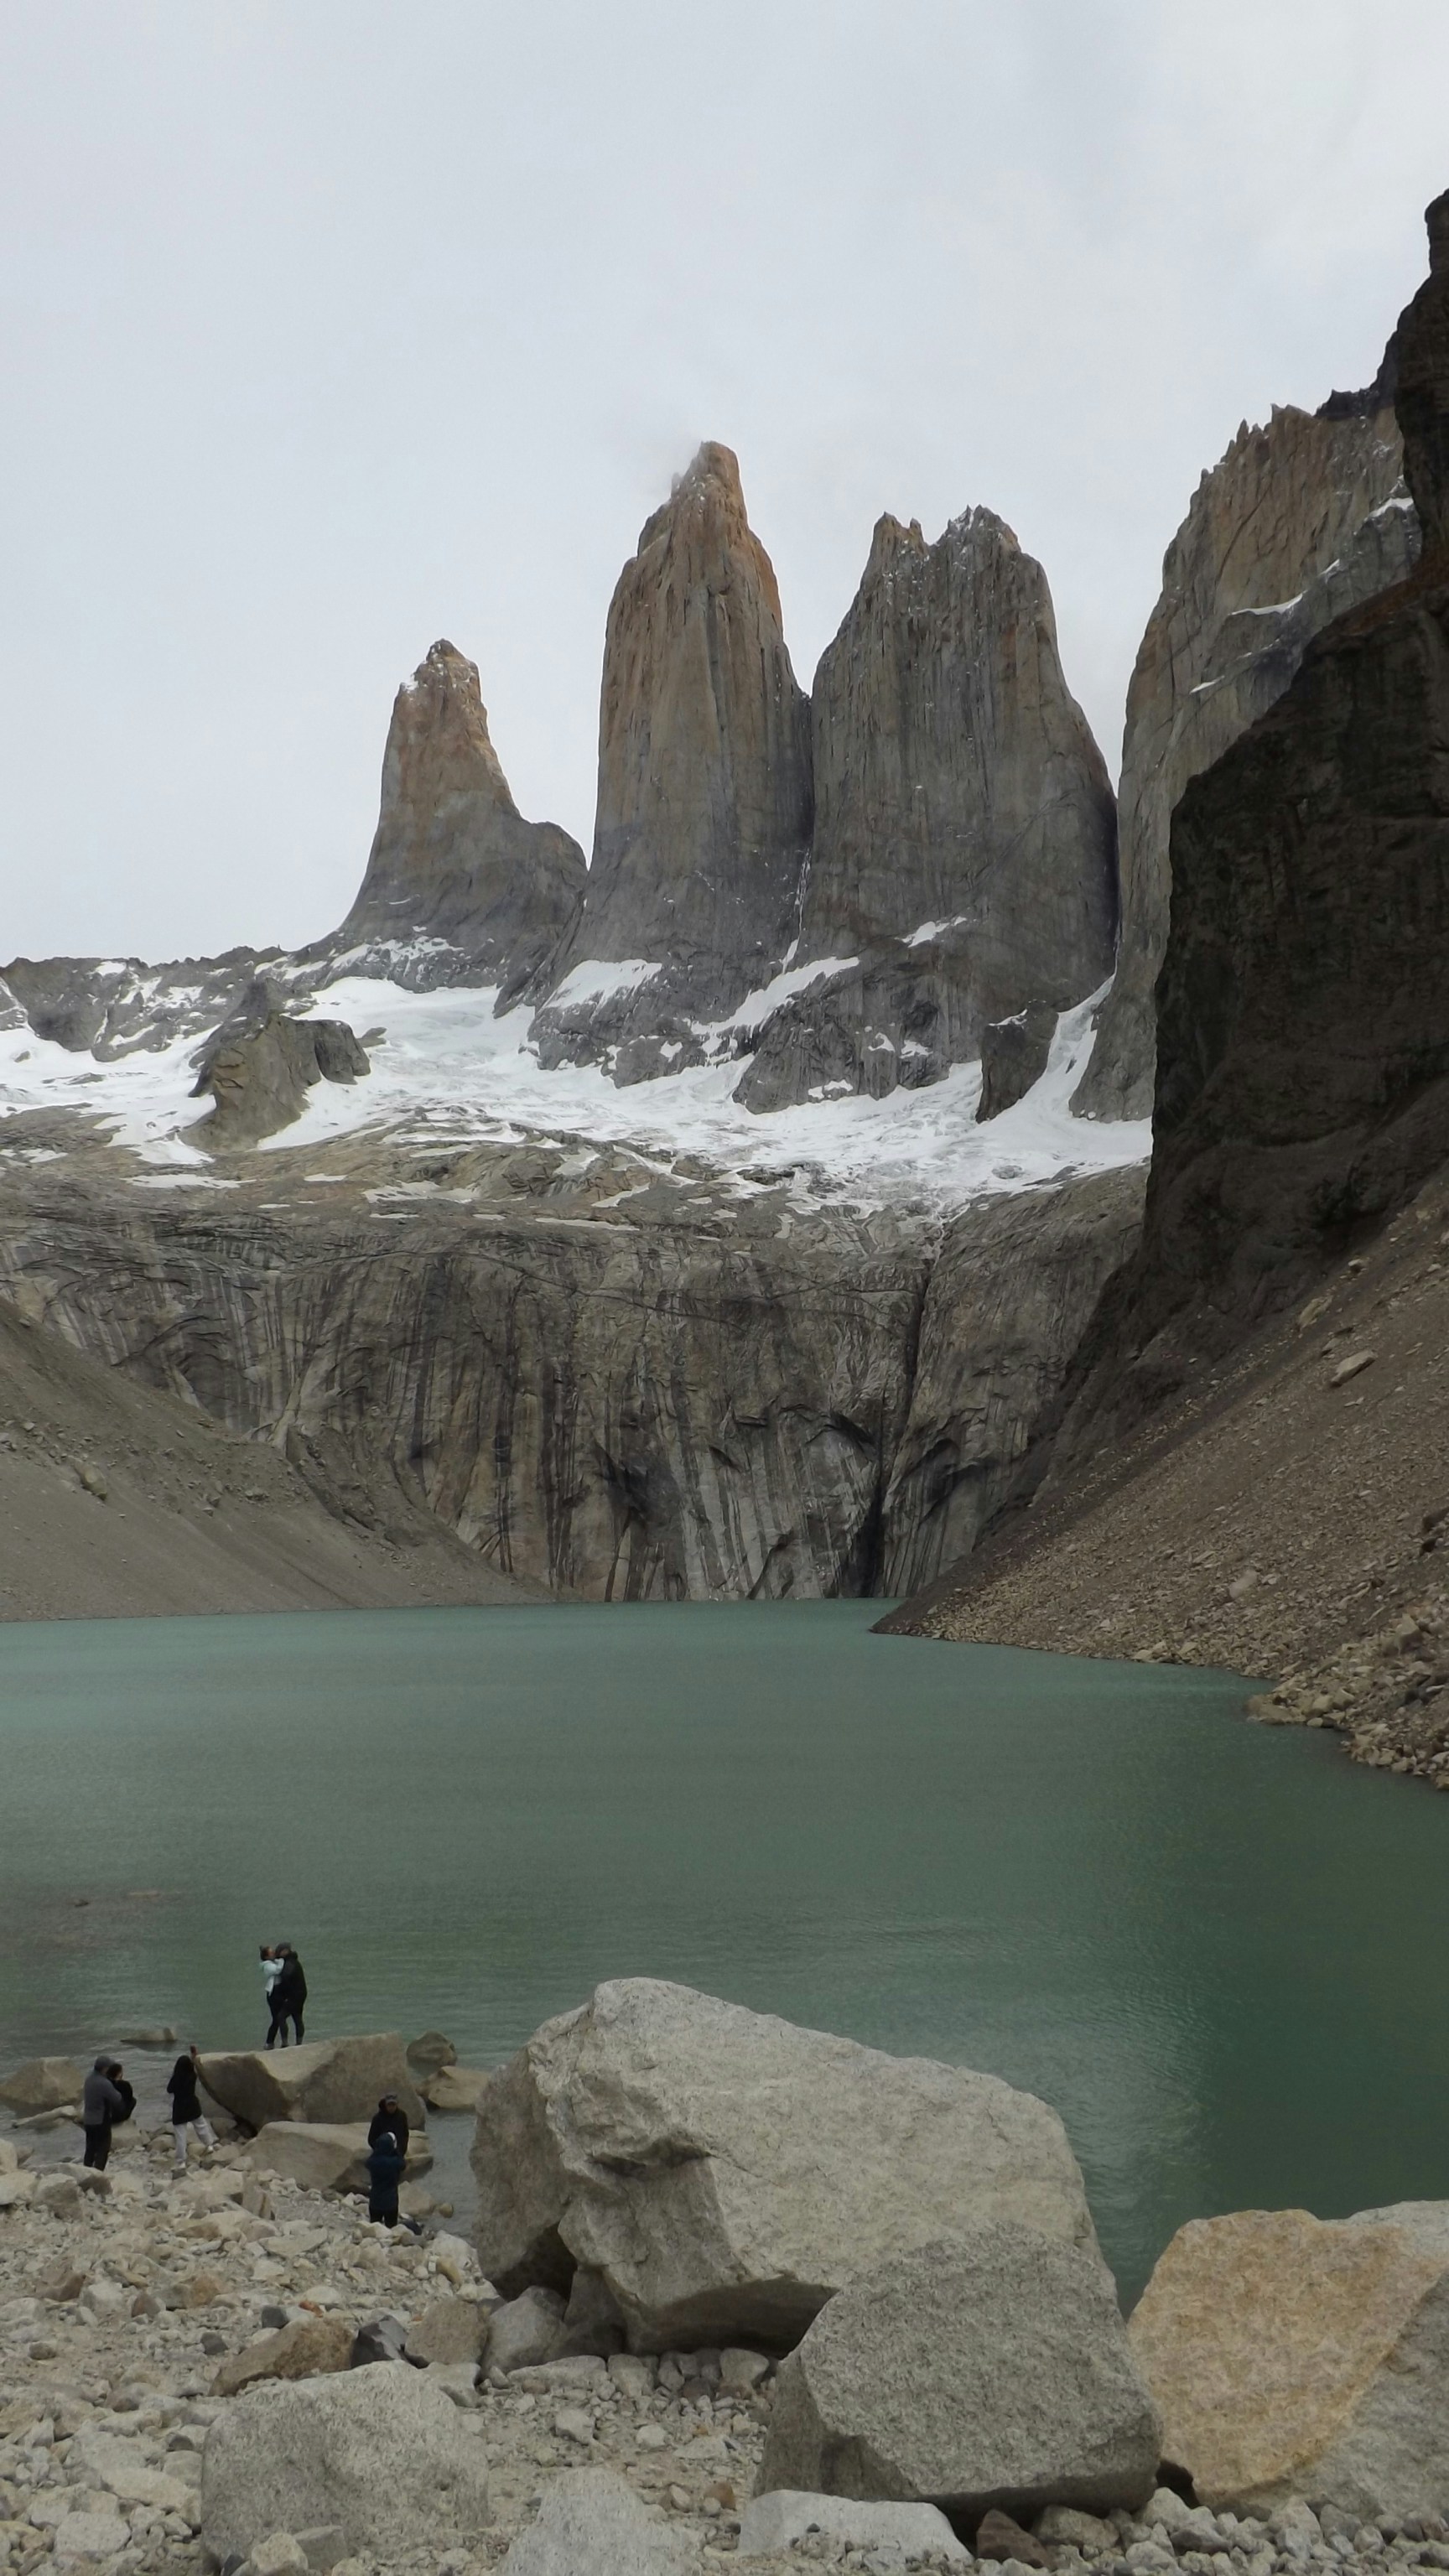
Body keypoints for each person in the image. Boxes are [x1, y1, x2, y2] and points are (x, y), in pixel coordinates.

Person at [166, 2044, 217, 2171]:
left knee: (181, 2136)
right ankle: (209, 2145)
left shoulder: (176, 2079)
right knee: (201, 2126)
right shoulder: (192, 2075)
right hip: (192, 2104)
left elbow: (169, 2089)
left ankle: (181, 2161)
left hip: (179, 2108)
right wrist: (194, 2054)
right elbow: (193, 2064)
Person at [80, 2057, 125, 2170]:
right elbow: (117, 2098)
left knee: (90, 2148)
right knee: (103, 2148)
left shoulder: (89, 2079)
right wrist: (116, 2081)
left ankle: (86, 2170)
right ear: (105, 2069)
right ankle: (98, 2173)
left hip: (88, 2120)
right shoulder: (104, 2083)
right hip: (101, 2121)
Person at [365, 2127, 407, 2228]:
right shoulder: (395, 2162)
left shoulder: (373, 2162)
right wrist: (396, 2151)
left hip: (375, 2200)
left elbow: (368, 2162)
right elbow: (403, 2164)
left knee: (374, 2227)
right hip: (390, 2201)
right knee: (391, 2228)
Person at [271, 1944, 307, 2046]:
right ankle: (299, 2043)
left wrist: (281, 1993)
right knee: (297, 2017)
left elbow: (285, 1980)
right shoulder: (294, 1962)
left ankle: (285, 2043)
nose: (278, 1953)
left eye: (279, 1951)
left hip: (294, 1996)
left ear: (285, 1951)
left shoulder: (289, 1964)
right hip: (301, 1994)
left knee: (281, 2017)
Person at [368, 2094, 409, 2158]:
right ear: (385, 2104)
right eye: (389, 2105)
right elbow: (371, 2139)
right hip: (381, 2152)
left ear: (397, 2105)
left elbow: (405, 2134)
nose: (391, 2107)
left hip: (398, 2152)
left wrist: (401, 2151)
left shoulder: (402, 2116)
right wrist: (379, 2150)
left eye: (393, 2105)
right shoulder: (377, 2118)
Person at [261, 1945, 286, 2049]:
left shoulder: (273, 1962)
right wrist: (282, 1960)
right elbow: (278, 1970)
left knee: (279, 2018)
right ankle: (269, 2042)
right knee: (276, 2019)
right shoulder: (267, 1965)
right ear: (266, 1956)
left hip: (279, 1991)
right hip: (273, 1994)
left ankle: (276, 2041)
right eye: (271, 1953)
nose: (274, 1953)